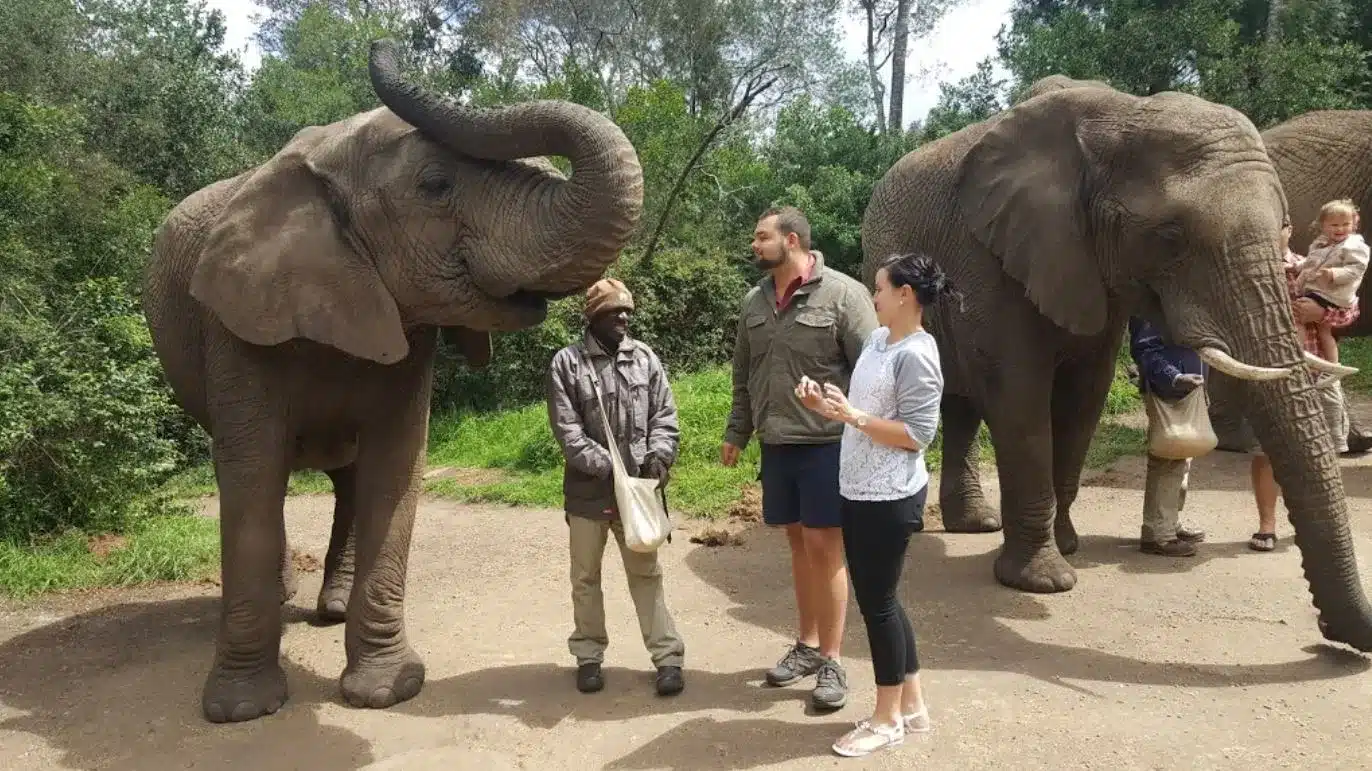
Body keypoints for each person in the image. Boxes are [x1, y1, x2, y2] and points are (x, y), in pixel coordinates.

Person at [721, 206, 878, 711]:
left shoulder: (844, 295)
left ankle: (832, 660)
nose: (754, 244)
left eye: (760, 236)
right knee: (796, 543)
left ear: (791, 241)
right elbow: (744, 373)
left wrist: (863, 428)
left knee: (824, 545)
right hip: (777, 441)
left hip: (828, 444)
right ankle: (808, 646)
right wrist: (737, 431)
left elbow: (874, 373)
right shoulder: (754, 302)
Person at [793, 251, 947, 757]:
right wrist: (828, 406)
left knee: (878, 605)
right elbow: (866, 410)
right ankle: (913, 706)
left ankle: (886, 719)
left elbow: (917, 435)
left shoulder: (918, 355)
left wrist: (855, 417)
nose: (873, 294)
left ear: (905, 295)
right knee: (886, 600)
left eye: (879, 288)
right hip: (859, 487)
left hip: (889, 496)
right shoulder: (881, 340)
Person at [546, 278, 686, 696]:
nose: (624, 318)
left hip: (639, 495)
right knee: (585, 578)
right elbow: (568, 431)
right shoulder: (566, 364)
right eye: (614, 312)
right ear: (593, 317)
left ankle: (668, 659)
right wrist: (609, 468)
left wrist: (660, 455)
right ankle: (588, 656)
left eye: (627, 311)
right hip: (588, 493)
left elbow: (665, 413)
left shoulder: (645, 359)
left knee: (647, 574)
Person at [1249, 223, 1360, 552]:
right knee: (1267, 451)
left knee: (1324, 454)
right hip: (1273, 373)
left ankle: (1322, 528)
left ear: (1289, 228)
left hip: (1317, 372)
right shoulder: (1249, 273)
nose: (1272, 230)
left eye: (1279, 225)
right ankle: (1266, 527)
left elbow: (1350, 308)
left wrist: (1322, 312)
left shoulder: (1312, 264)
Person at [1127, 316, 1207, 557]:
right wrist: (1174, 377)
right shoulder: (1150, 300)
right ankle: (1158, 535)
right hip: (1168, 390)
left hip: (1188, 391)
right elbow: (1144, 349)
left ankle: (1169, 522)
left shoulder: (1186, 297)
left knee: (1182, 459)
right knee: (1167, 459)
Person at [1291, 199, 1370, 364]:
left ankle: (1295, 358)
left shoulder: (1354, 246)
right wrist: (1295, 266)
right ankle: (1332, 366)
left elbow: (1357, 269)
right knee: (1325, 332)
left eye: (1345, 224)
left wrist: (1334, 273)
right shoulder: (1321, 244)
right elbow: (1310, 262)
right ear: (1323, 226)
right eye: (1334, 225)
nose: (1340, 229)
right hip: (1322, 292)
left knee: (1298, 319)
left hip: (1331, 294)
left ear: (1354, 224)